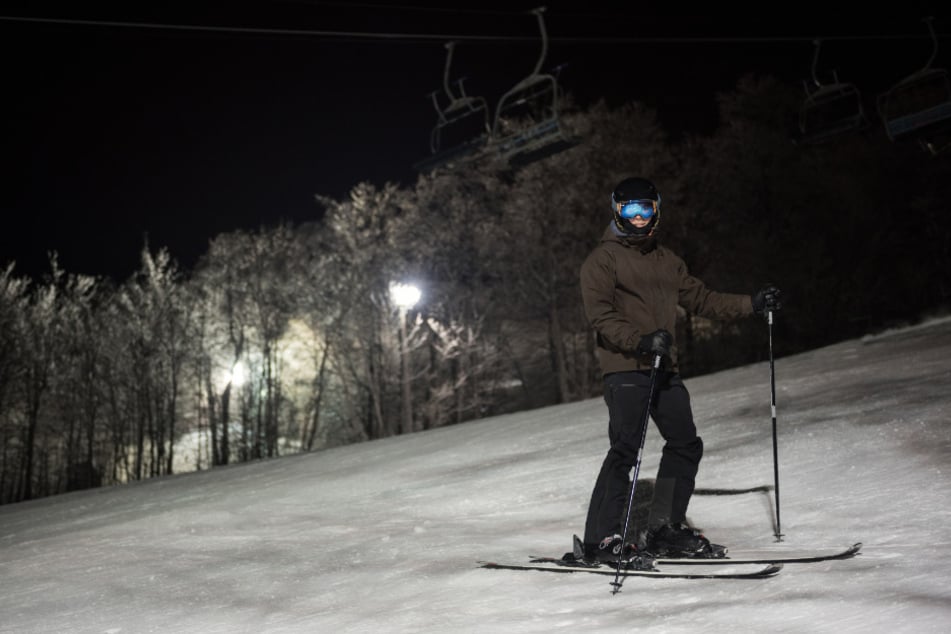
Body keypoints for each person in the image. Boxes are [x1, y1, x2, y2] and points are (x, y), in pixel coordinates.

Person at [579, 176, 781, 562]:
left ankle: (664, 529)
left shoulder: (667, 260)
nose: (638, 219)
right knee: (625, 450)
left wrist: (752, 304)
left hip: (664, 368)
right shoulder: (602, 260)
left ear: (657, 211)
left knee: (685, 444)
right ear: (617, 213)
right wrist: (639, 339)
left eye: (646, 210)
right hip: (626, 369)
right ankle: (601, 540)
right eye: (630, 211)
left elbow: (703, 299)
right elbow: (600, 315)